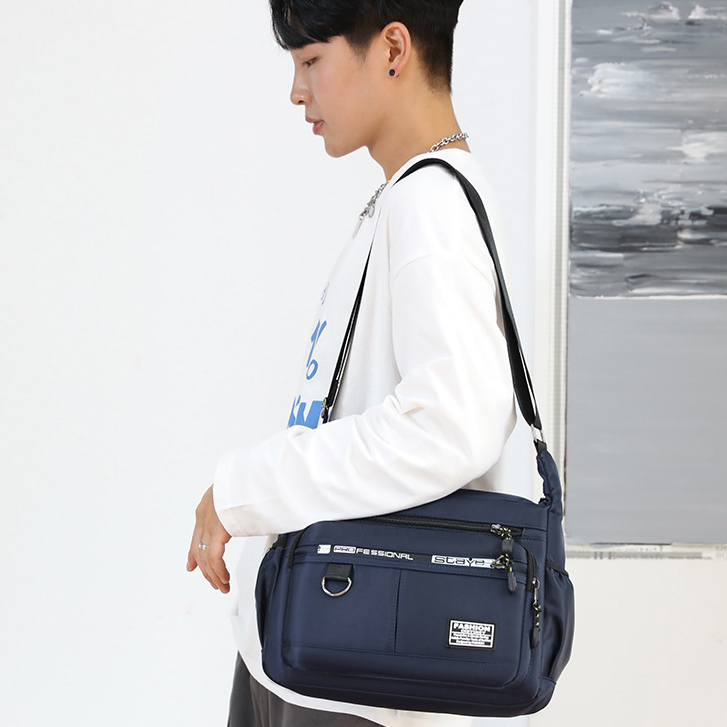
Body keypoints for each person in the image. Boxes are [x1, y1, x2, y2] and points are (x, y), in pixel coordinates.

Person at [187, 1, 520, 724]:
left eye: (311, 60)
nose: (296, 91)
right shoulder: (409, 194)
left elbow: (449, 426)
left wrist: (244, 485)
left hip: (350, 667)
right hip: (313, 643)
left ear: (393, 50)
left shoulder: (430, 204)